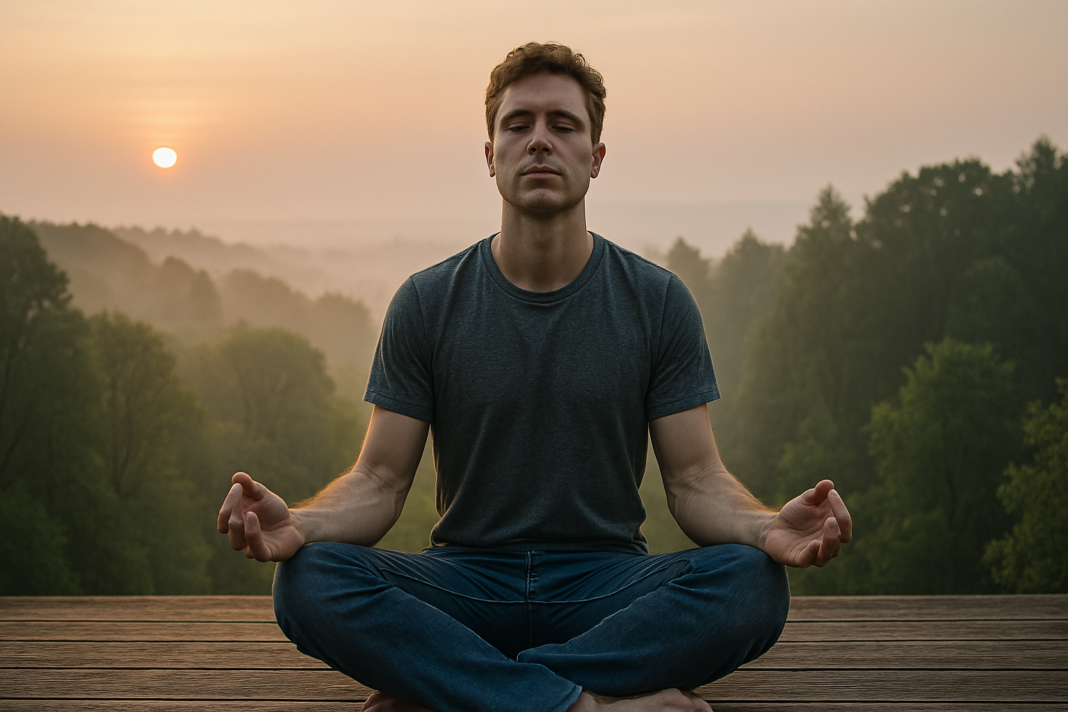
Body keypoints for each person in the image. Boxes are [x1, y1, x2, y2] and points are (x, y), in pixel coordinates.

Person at [217, 42, 852, 712]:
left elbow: (695, 480)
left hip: (608, 588)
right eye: (518, 125)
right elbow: (379, 480)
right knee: (308, 580)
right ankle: (582, 705)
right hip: (464, 584)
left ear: (596, 158)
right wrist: (304, 525)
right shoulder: (427, 302)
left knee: (753, 583)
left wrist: (764, 530)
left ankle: (460, 689)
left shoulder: (657, 301)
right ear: (491, 156)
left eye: (563, 125)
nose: (539, 141)